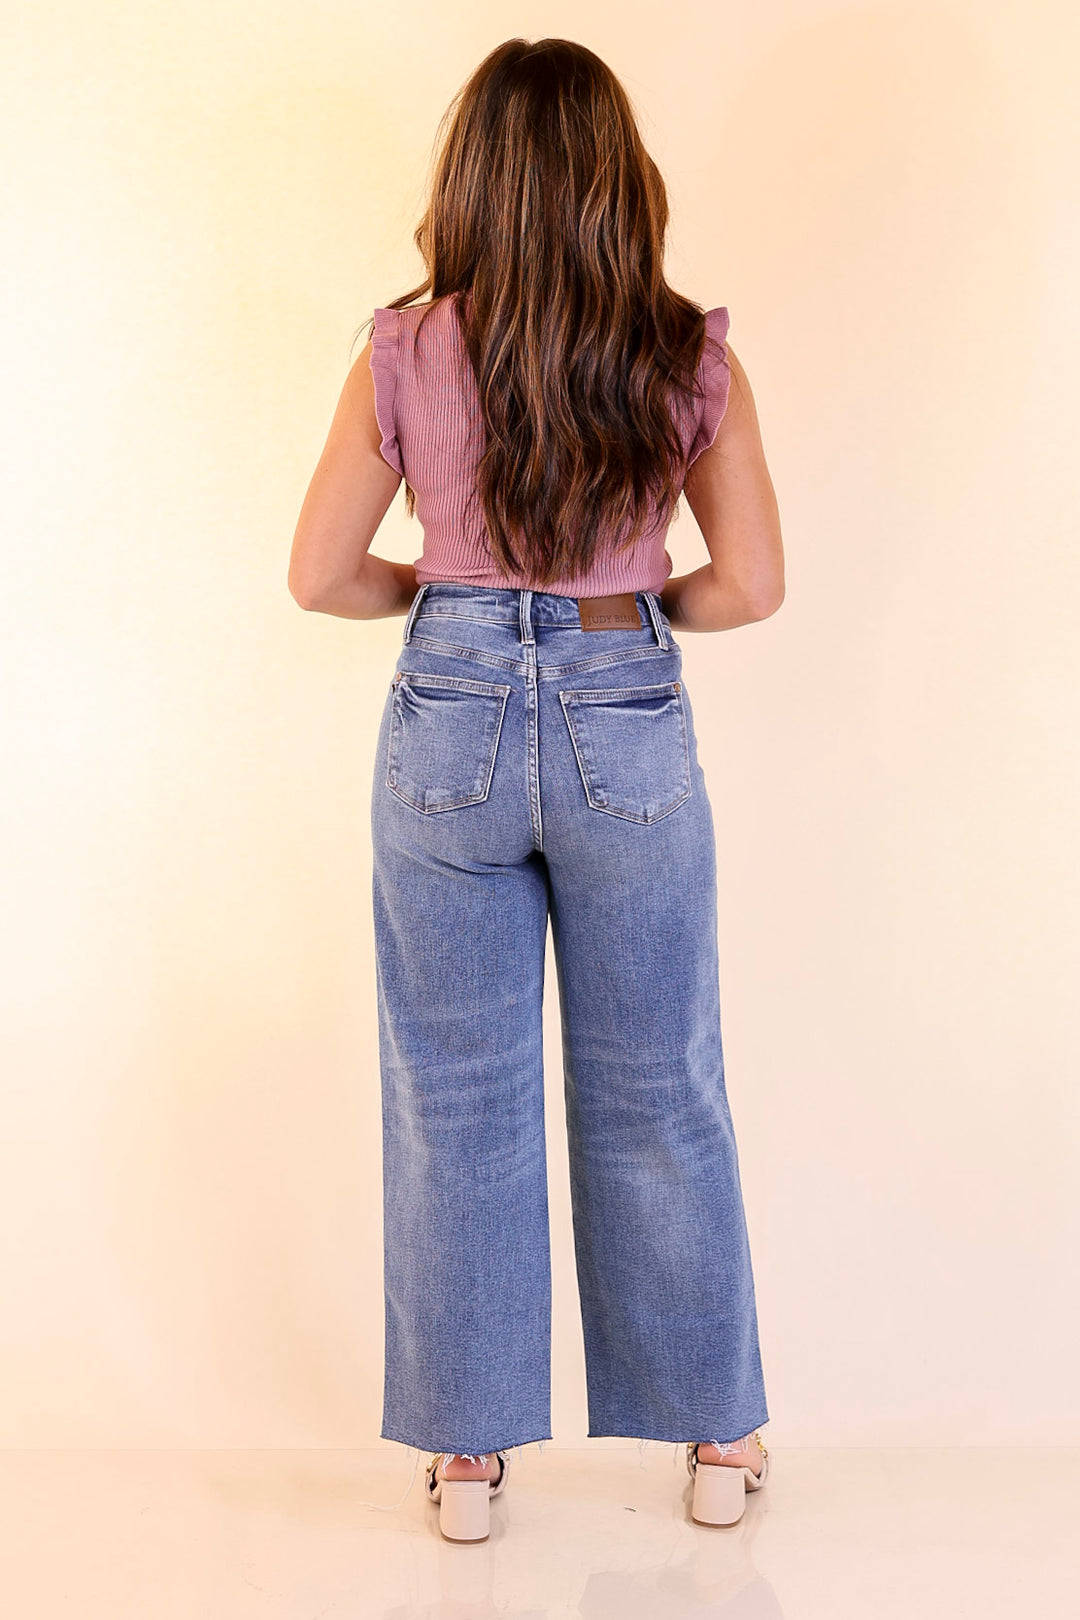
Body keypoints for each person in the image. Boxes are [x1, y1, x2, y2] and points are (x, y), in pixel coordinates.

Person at [288, 36, 784, 1543]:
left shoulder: (402, 347)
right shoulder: (684, 350)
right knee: (658, 1085)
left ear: (475, 181)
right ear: (617, 182)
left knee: (459, 1096)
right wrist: (623, 623)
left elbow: (318, 575)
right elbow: (751, 586)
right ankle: (717, 1441)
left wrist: (452, 604)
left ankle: (466, 1462)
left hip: (447, 716)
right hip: (622, 704)